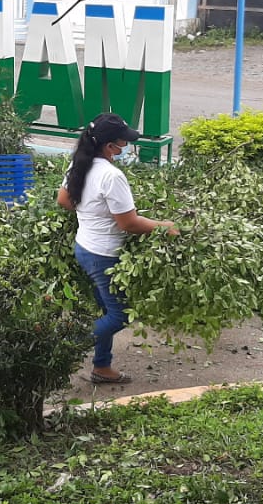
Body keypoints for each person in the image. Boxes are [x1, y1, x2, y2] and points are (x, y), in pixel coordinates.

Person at [56, 113, 178, 385]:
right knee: (120, 315)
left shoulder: (80, 163)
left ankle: (102, 367)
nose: (126, 146)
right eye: (123, 142)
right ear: (110, 146)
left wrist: (92, 213)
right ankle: (63, 346)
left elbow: (63, 200)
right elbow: (129, 223)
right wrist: (164, 226)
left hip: (84, 247)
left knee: (106, 311)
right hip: (103, 256)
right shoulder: (111, 176)